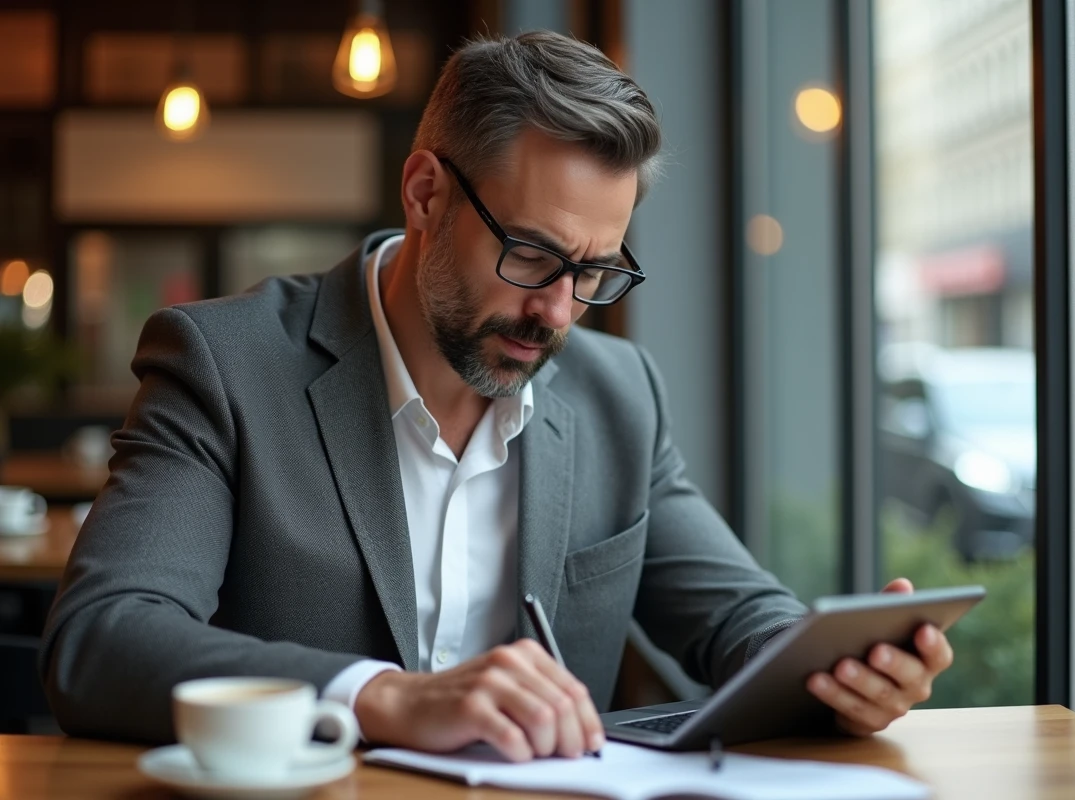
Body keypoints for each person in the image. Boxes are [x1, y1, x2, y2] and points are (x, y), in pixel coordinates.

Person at [39, 30, 953, 761]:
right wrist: (386, 697)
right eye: (531, 255)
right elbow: (102, 640)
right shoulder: (226, 366)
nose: (556, 312)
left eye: (594, 271)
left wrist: (837, 671)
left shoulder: (617, 395)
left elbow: (735, 618)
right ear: (426, 193)